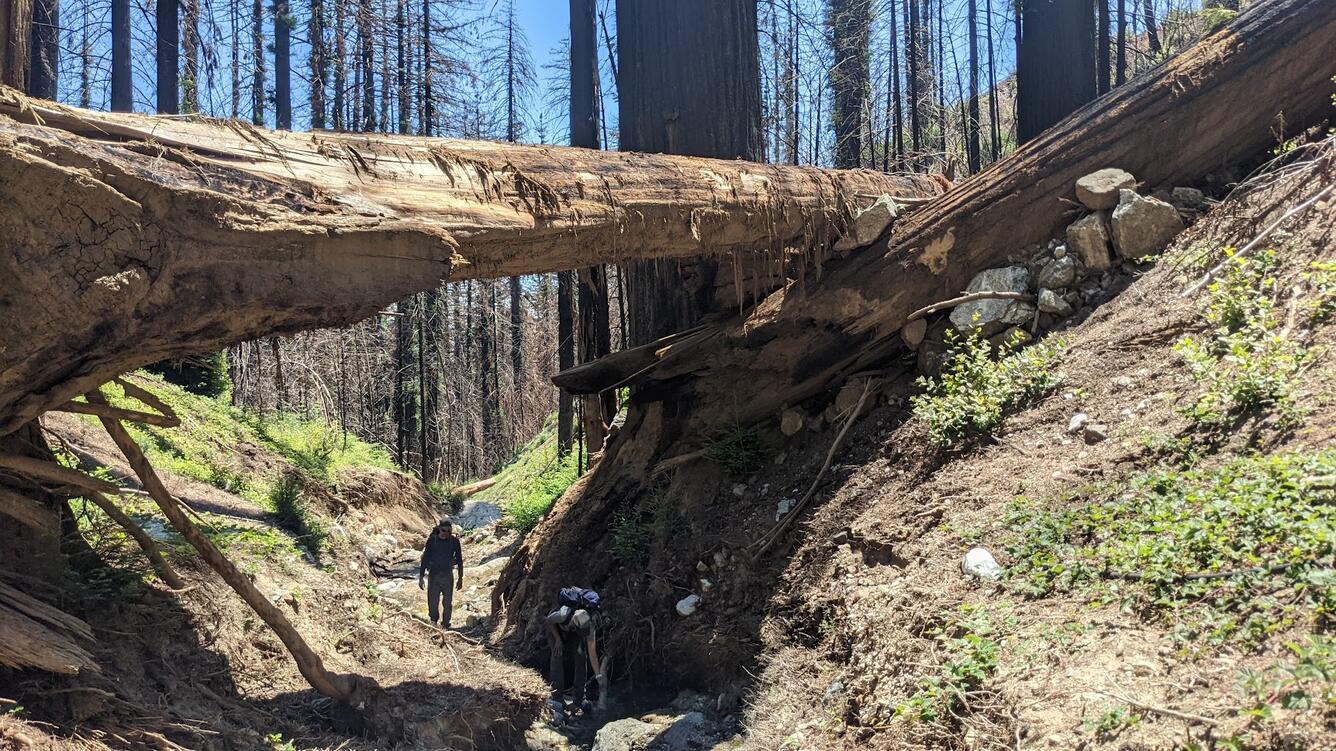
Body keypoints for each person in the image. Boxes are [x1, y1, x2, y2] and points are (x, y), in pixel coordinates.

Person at [545, 587, 607, 714]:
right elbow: (548, 621)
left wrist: (598, 675)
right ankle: (557, 697)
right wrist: (558, 640)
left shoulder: (588, 625)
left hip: (574, 630)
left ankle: (579, 699)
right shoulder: (562, 615)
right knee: (557, 655)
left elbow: (592, 653)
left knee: (581, 656)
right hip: (556, 629)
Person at [418, 519, 463, 628]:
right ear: (439, 529)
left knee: (447, 602)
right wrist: (421, 576)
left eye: (449, 531)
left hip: (448, 574)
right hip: (434, 574)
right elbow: (425, 558)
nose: (446, 533)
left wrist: (460, 578)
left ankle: (446, 624)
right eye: (443, 530)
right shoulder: (432, 541)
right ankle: (433, 621)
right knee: (433, 601)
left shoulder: (454, 541)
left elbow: (459, 559)